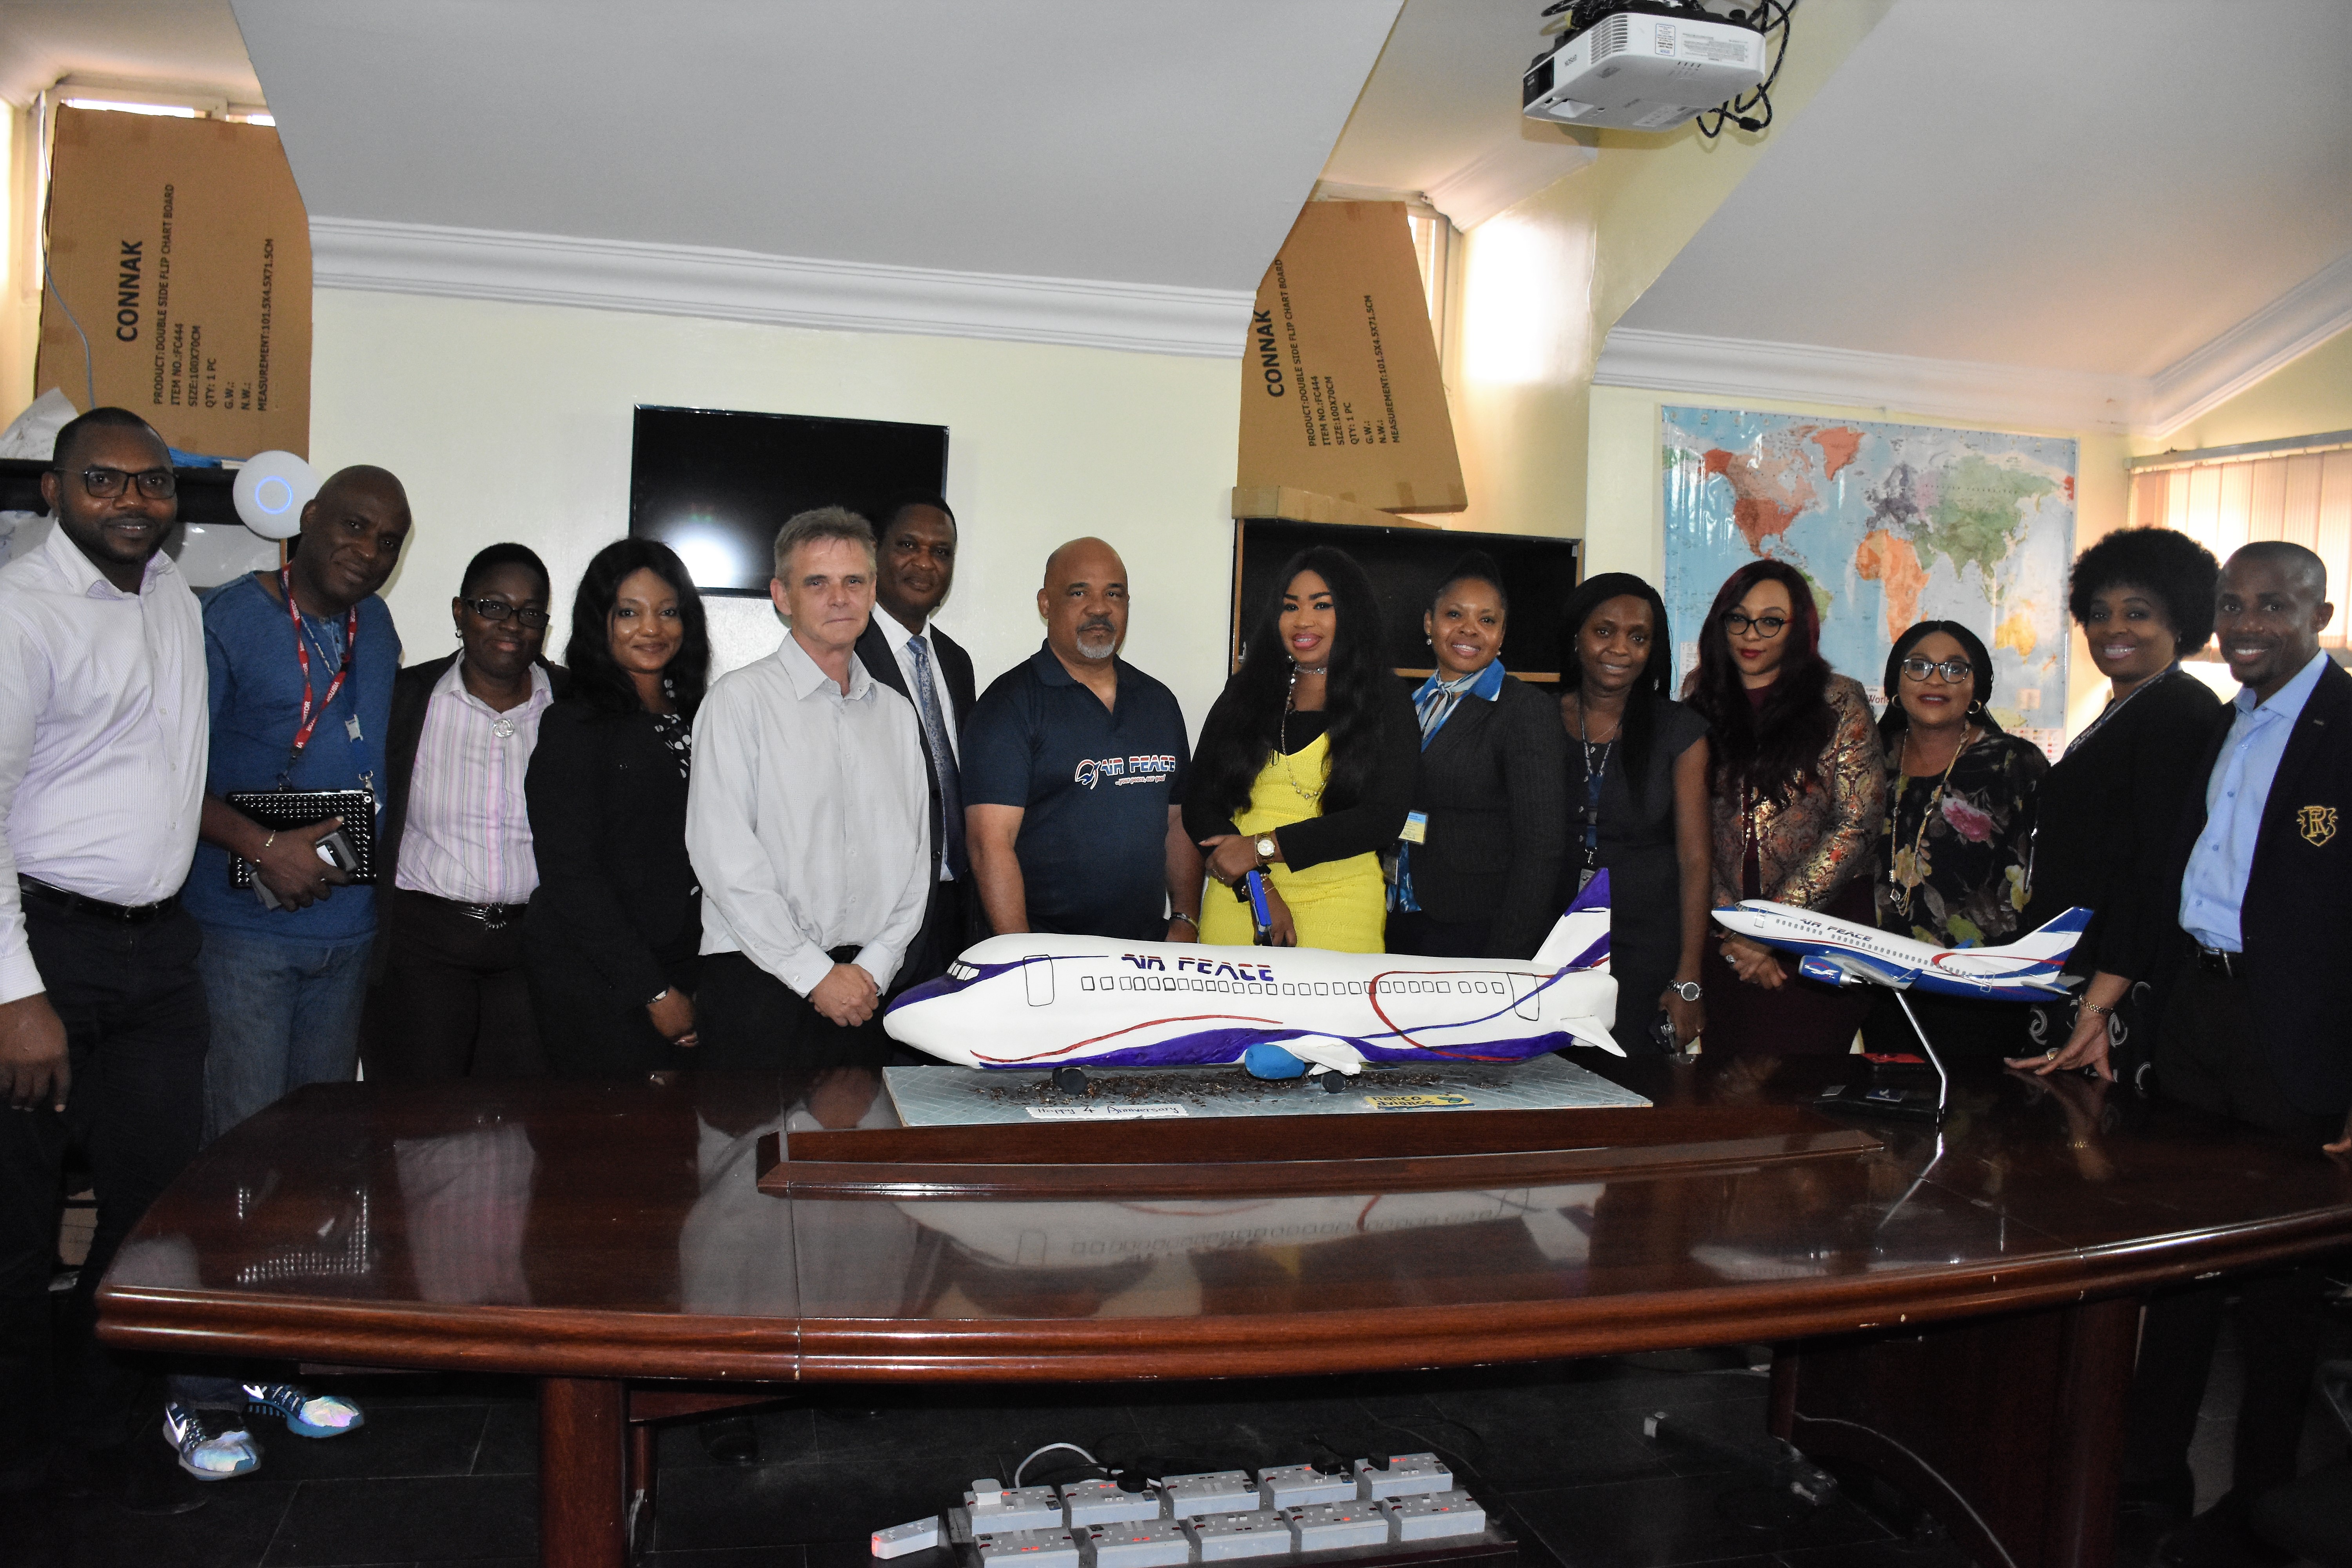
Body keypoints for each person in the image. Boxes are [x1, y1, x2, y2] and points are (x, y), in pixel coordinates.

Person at [0, 410, 224, 1539]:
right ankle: (20, 1466)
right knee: (17, 1232)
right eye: (105, 482)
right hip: (47, 953)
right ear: (54, 490)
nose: (135, 502)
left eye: (153, 484)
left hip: (158, 955)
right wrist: (14, 990)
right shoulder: (18, 612)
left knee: (149, 1224)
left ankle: (107, 1437)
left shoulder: (173, 598)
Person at [2119, 541, 2349, 1566]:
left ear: (2321, 611)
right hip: (2198, 1026)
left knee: (2280, 1300)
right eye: (2232, 604)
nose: (2247, 622)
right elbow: (2185, 871)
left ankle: (2263, 1511)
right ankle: (2148, 1488)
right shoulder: (2224, 721)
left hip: (2291, 1041)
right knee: (2177, 1275)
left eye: (2274, 604)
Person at [187, 465, 409, 1141]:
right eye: (354, 526)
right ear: (309, 516)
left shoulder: (373, 623)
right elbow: (167, 777)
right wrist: (265, 847)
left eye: (389, 541)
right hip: (244, 937)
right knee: (243, 1145)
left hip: (348, 934)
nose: (369, 552)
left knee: (320, 1148)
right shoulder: (226, 620)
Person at [686, 508, 930, 1070]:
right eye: (816, 582)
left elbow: (919, 859)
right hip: (760, 982)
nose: (839, 598)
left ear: (873, 593)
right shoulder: (737, 702)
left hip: (871, 991)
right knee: (749, 1160)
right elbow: (722, 858)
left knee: (864, 1158)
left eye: (854, 581)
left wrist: (876, 966)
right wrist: (816, 975)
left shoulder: (896, 715)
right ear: (782, 595)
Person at [2006, 526, 2222, 1083]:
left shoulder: (2179, 716)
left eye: (2139, 613)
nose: (2114, 629)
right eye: (2099, 613)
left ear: (2181, 621)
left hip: (2115, 990)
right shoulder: (2131, 705)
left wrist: (2098, 1006)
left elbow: (2151, 873)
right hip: (2078, 970)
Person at [361, 543, 564, 1082]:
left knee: (524, 1135)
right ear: (459, 612)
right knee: (418, 1134)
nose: (511, 624)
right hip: (424, 951)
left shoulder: (574, 707)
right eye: (492, 606)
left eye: (529, 612)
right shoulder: (406, 699)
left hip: (534, 954)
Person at [523, 539, 709, 1079]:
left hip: (684, 960)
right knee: (610, 1148)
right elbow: (571, 874)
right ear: (599, 621)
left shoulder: (704, 716)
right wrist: (654, 992)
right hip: (599, 975)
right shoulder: (575, 726)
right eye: (629, 612)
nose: (651, 628)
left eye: (668, 611)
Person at [1685, 559, 1886, 1054]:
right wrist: (1737, 932)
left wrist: (1772, 930)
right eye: (1739, 618)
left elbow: (1857, 825)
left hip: (1820, 939)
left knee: (1804, 1106)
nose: (1752, 634)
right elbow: (1690, 831)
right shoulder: (1698, 706)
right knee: (1726, 1100)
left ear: (1798, 629)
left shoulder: (1840, 703)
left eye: (1771, 620)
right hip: (1726, 944)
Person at [962, 537, 1201, 944]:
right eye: (1079, 592)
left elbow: (1178, 821)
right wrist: (1023, 957)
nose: (1099, 608)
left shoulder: (1158, 703)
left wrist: (1185, 918)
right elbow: (990, 845)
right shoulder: (1010, 705)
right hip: (1047, 953)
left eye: (1114, 594)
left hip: (1144, 954)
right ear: (1045, 604)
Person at [1186, 547, 1415, 951]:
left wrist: (1262, 849)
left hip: (1340, 907)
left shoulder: (1386, 700)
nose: (1303, 620)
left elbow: (1382, 818)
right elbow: (1199, 803)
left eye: (1322, 605)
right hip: (1240, 899)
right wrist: (1257, 885)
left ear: (1351, 613)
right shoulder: (1245, 691)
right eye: (1291, 607)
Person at [1863, 620, 2047, 1060]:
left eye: (1955, 669)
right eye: (1919, 666)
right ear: (1894, 683)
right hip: (1884, 987)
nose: (1935, 680)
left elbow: (2050, 873)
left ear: (1977, 688)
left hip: (1984, 989)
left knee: (1978, 1119)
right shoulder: (1869, 759)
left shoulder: (2014, 762)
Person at [1553, 573, 1713, 1053]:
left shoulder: (1679, 731)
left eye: (1638, 637)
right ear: (1576, 637)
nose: (1620, 648)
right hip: (1548, 942)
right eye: (1604, 631)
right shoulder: (1534, 719)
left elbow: (1696, 861)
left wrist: (1688, 981)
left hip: (1645, 947)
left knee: (1635, 1094)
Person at [1387, 553, 1567, 960]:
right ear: (1429, 623)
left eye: (1487, 620)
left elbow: (1542, 847)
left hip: (1475, 929)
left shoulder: (1524, 710)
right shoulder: (1407, 703)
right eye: (1454, 614)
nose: (1469, 628)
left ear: (1502, 635)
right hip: (1398, 911)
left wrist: (1506, 955)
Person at [853, 496, 977, 988]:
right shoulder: (848, 652)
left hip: (955, 911)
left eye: (942, 551)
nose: (925, 562)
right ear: (876, 551)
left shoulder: (956, 661)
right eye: (909, 545)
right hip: (876, 917)